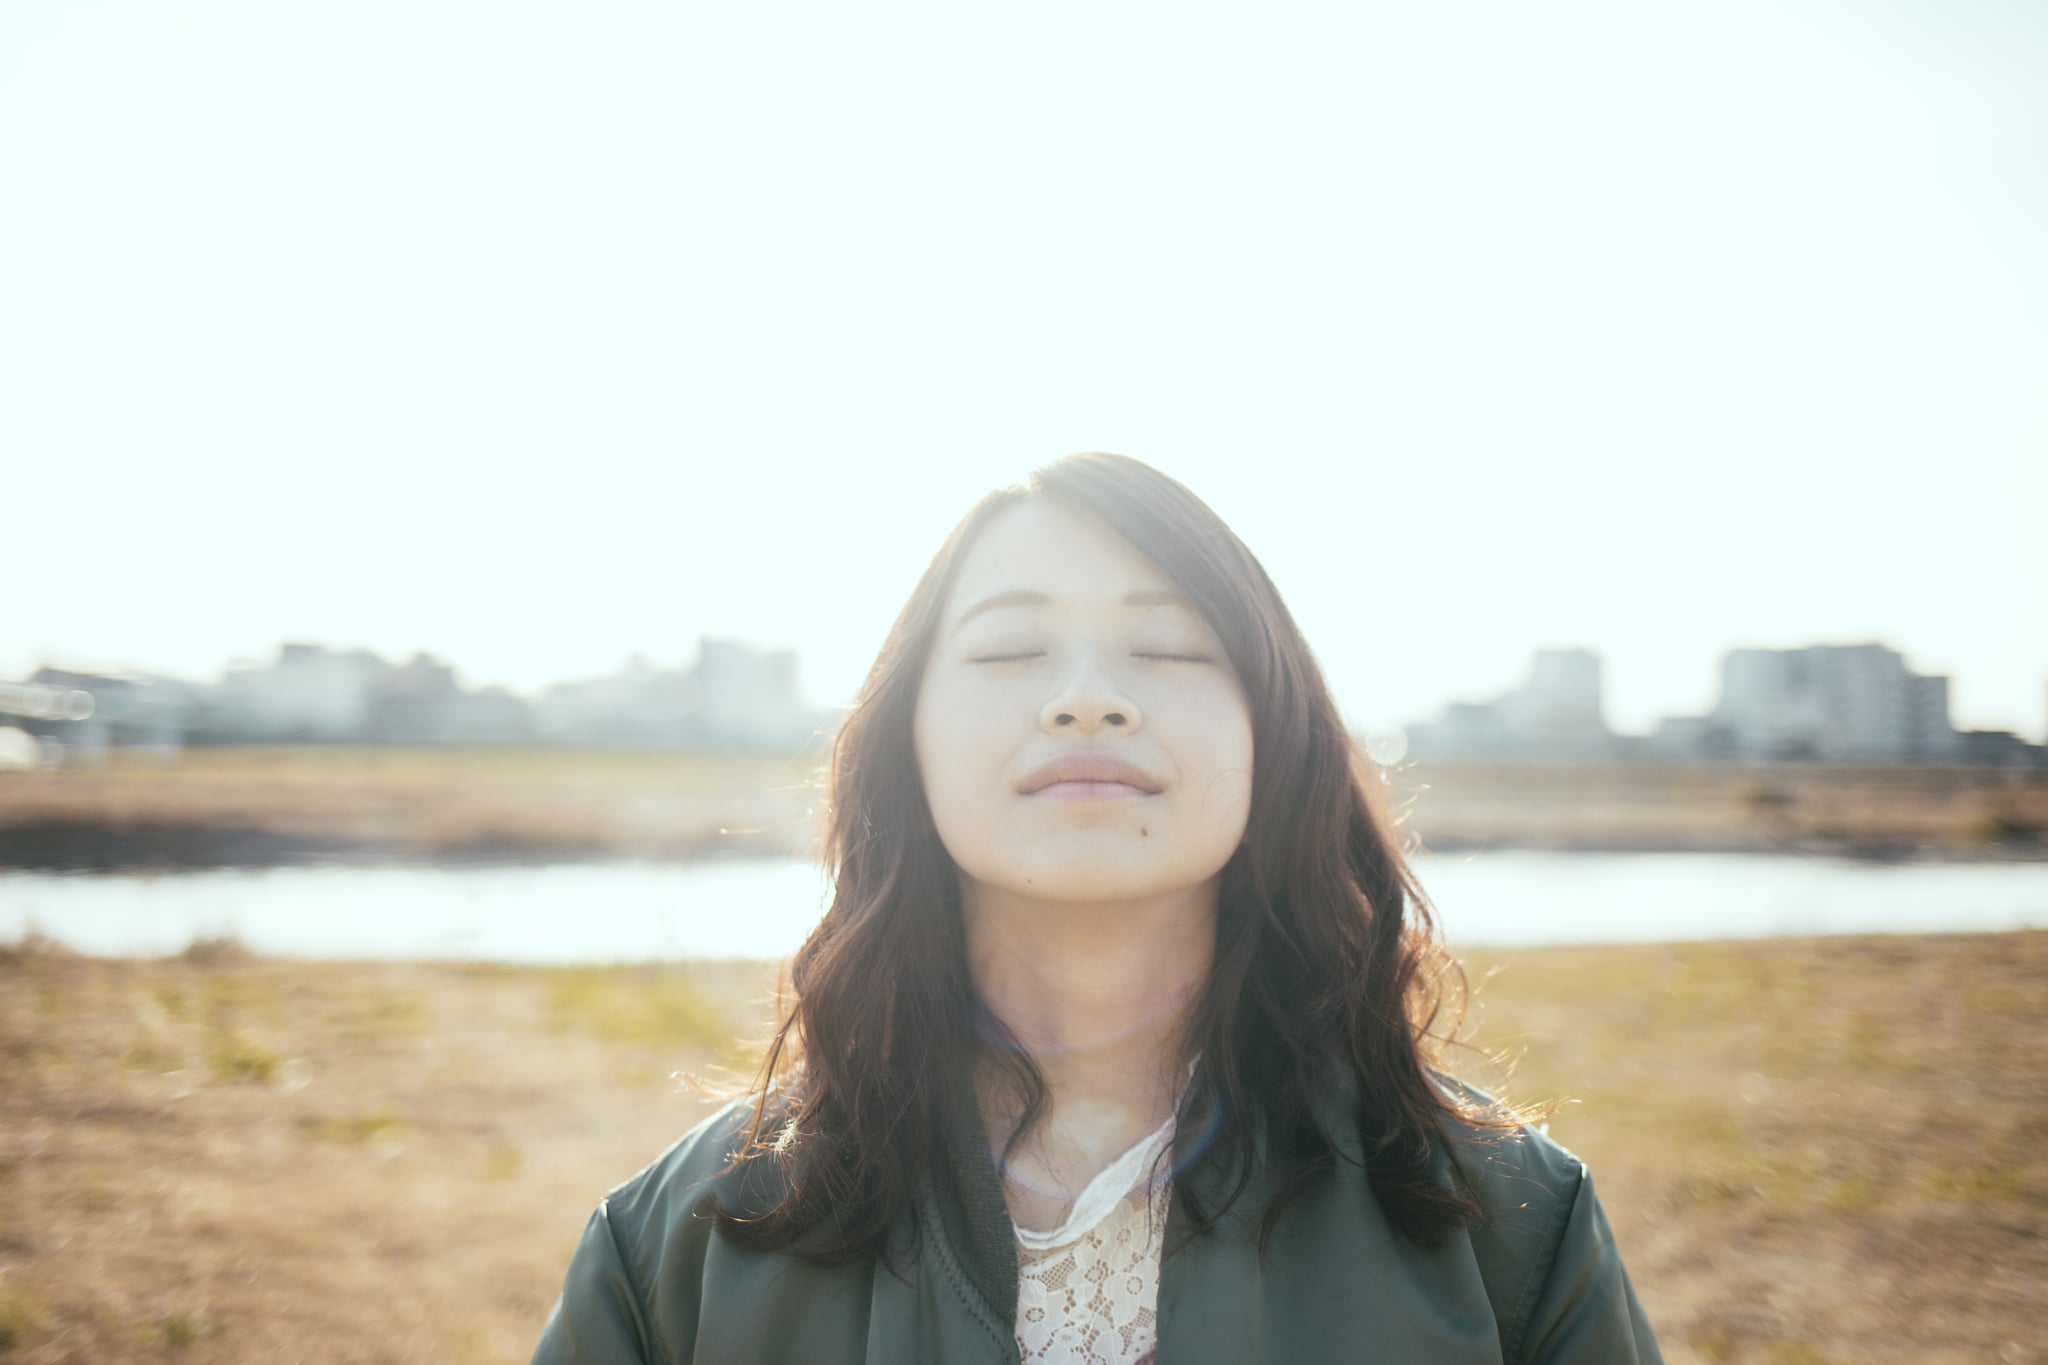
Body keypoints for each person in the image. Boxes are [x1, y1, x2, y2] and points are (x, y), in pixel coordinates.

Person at [531, 452, 1662, 1364]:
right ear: (904, 744)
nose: (1086, 700)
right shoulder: (676, 1249)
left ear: (1276, 734)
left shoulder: (1505, 1222)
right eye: (1010, 647)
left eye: (1169, 645)